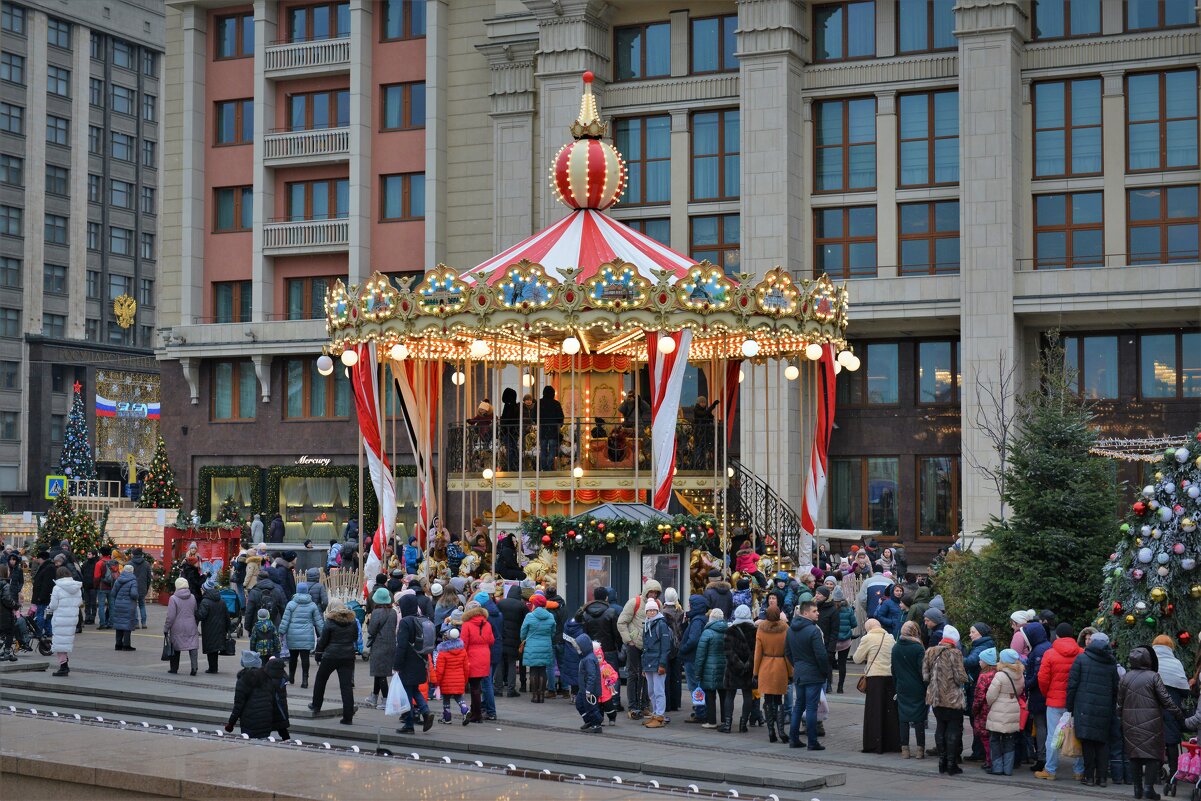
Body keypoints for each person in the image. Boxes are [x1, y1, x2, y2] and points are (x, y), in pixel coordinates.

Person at [1120, 645, 1182, 800]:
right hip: (1152, 722)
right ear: (1148, 659)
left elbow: (1119, 702)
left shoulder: (1125, 677)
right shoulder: (1154, 676)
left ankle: (1137, 790)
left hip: (1130, 721)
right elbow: (1166, 700)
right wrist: (1180, 715)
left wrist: (1121, 718)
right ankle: (1148, 789)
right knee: (1152, 756)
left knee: (1134, 755)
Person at [1067, 631, 1118, 787]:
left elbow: (1072, 685)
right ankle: (1102, 778)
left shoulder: (1081, 659)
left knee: (1087, 742)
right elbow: (1115, 687)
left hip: (1084, 706)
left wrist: (1069, 707)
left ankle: (1089, 777)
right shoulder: (1111, 662)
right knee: (1102, 742)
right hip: (1104, 708)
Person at [1037, 621, 1083, 780]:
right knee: (1078, 734)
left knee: (1053, 736)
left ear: (1057, 635)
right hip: (1076, 702)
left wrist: (1047, 693)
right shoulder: (1081, 653)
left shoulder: (1050, 653)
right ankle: (1079, 770)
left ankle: (1050, 770)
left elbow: (1042, 679)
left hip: (1055, 702)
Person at [923, 623, 968, 775]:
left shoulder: (930, 651)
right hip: (952, 698)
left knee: (940, 727)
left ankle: (941, 762)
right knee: (953, 729)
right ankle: (951, 764)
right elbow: (960, 677)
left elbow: (925, 675)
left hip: (935, 697)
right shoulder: (955, 653)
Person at [785, 601, 828, 750]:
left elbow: (787, 652)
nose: (818, 613)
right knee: (811, 708)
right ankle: (812, 741)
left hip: (799, 672)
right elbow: (821, 654)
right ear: (805, 613)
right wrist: (824, 671)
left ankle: (794, 739)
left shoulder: (791, 629)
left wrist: (797, 665)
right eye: (814, 611)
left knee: (798, 706)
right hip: (813, 673)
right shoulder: (813, 630)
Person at [617, 579, 663, 720]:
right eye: (651, 591)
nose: (653, 594)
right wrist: (629, 640)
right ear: (646, 591)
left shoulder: (658, 605)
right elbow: (621, 622)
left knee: (647, 676)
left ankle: (644, 705)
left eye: (656, 592)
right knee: (633, 675)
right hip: (634, 645)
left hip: (649, 647)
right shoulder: (634, 603)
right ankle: (633, 706)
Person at [854, 618, 899, 753]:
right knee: (890, 712)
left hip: (875, 678)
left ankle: (874, 744)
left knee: (874, 712)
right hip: (890, 678)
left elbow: (857, 658)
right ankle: (891, 743)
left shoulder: (868, 638)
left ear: (868, 628)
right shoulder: (890, 638)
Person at [310, 601, 358, 725]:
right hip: (348, 656)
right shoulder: (352, 622)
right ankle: (348, 716)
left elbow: (323, 640)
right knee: (346, 686)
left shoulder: (330, 622)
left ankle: (316, 705)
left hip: (331, 655)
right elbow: (355, 638)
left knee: (321, 679)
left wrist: (318, 654)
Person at [226, 651, 289, 739]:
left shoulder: (243, 680)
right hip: (266, 720)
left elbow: (238, 705)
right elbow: (274, 701)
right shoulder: (267, 677)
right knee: (263, 744)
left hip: (249, 721)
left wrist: (231, 723)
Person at [1152, 634, 1190, 778]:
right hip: (1172, 706)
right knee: (1172, 740)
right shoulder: (1176, 663)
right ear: (1171, 647)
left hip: (1153, 707)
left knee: (1154, 740)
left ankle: (1155, 773)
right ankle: (1174, 773)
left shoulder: (1150, 662)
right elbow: (1185, 690)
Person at [987, 649, 1027, 776]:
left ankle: (997, 767)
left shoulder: (1000, 675)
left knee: (995, 739)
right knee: (1009, 740)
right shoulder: (1020, 674)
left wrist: (990, 704)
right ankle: (1008, 769)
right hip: (1013, 708)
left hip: (999, 708)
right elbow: (1020, 691)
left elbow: (990, 695)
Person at [753, 605, 789, 743]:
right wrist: (790, 672)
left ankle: (770, 731)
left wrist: (755, 672)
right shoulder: (785, 628)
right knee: (779, 700)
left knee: (767, 699)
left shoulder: (761, 629)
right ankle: (781, 731)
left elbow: (757, 653)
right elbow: (788, 653)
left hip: (765, 665)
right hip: (780, 666)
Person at [893, 620, 929, 758]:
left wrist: (896, 685)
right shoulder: (918, 648)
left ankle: (905, 749)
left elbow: (894, 669)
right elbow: (923, 671)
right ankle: (920, 750)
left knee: (903, 718)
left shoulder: (896, 648)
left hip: (902, 687)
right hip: (917, 687)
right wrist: (927, 686)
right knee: (919, 718)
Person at [1021, 620, 1053, 771]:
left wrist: (1026, 683)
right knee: (1046, 726)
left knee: (1041, 727)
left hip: (1040, 695)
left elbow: (1038, 675)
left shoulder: (1039, 650)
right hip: (1047, 694)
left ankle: (1042, 758)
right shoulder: (1046, 646)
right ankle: (1047, 758)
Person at [963, 622, 997, 761]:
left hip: (977, 685)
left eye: (973, 632)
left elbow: (971, 661)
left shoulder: (981, 647)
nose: (970, 635)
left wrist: (956, 657)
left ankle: (980, 753)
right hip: (978, 684)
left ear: (981, 633)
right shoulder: (984, 645)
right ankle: (978, 751)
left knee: (977, 720)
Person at [362, 587, 397, 710]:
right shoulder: (393, 612)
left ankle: (385, 699)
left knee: (381, 674)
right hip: (391, 644)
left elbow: (371, 631)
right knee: (379, 671)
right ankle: (374, 696)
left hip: (379, 645)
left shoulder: (377, 613)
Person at [461, 599, 495, 723]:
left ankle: (477, 714)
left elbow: (463, 643)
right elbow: (491, 641)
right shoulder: (487, 623)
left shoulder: (467, 625)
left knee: (474, 687)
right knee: (480, 685)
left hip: (471, 657)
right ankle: (475, 710)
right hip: (485, 656)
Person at [640, 598, 673, 728]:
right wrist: (644, 665)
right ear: (646, 612)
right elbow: (645, 647)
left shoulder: (661, 624)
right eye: (649, 610)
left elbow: (665, 647)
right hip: (648, 662)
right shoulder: (647, 624)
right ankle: (655, 714)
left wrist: (662, 664)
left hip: (658, 662)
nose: (652, 612)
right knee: (651, 691)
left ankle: (659, 716)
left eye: (654, 610)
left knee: (659, 690)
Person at [695, 607, 729, 731]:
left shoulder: (707, 632)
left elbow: (700, 655)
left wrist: (697, 672)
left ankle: (711, 721)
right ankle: (726, 720)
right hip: (724, 667)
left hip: (710, 668)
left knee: (710, 695)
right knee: (724, 695)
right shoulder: (728, 631)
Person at [520, 593, 557, 703]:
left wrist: (524, 639)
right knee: (542, 670)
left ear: (535, 604)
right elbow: (553, 632)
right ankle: (541, 695)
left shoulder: (529, 616)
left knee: (533, 671)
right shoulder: (550, 616)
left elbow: (523, 632)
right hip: (546, 645)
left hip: (531, 646)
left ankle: (535, 695)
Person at [46, 566, 82, 676]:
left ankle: (63, 666)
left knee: (59, 642)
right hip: (72, 618)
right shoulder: (77, 587)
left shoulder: (57, 588)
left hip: (60, 618)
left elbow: (53, 605)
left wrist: (48, 609)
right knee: (65, 641)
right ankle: (65, 664)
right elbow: (80, 602)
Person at [679, 593, 709, 724]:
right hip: (696, 656)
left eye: (690, 604)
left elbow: (694, 640)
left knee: (694, 686)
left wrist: (683, 648)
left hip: (692, 657)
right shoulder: (700, 619)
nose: (689, 606)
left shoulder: (697, 621)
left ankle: (700, 712)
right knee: (698, 685)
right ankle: (701, 710)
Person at [434, 626, 471, 724]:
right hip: (459, 679)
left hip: (446, 680)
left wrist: (437, 683)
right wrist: (465, 680)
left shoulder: (443, 653)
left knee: (446, 698)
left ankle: (447, 718)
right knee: (459, 697)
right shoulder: (462, 651)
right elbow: (466, 668)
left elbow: (439, 670)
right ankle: (465, 710)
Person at [495, 584, 527, 697]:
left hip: (501, 637)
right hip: (515, 638)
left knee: (499, 663)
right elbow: (525, 622)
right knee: (512, 663)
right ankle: (511, 689)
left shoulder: (501, 603)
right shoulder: (522, 605)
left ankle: (498, 689)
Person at [165, 576, 200, 675]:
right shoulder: (192, 597)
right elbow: (195, 610)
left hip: (177, 627)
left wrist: (166, 628)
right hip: (191, 625)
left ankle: (174, 668)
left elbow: (170, 616)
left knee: (175, 647)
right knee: (193, 647)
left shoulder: (173, 598)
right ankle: (194, 667)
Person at [971, 647, 999, 770]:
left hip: (984, 711)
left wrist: (974, 710)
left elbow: (979, 696)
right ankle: (996, 760)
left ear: (986, 662)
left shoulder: (984, 676)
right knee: (994, 738)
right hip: (995, 709)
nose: (979, 662)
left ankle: (989, 761)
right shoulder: (997, 673)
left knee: (985, 738)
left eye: (981, 660)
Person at [196, 578, 230, 674]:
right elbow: (227, 616)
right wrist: (228, 628)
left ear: (205, 590)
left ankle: (212, 668)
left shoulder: (205, 602)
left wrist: (195, 613)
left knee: (211, 649)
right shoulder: (221, 601)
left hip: (209, 629)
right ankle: (214, 667)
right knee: (215, 649)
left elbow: (201, 616)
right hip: (220, 628)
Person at [571, 633, 604, 733]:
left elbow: (591, 676)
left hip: (589, 689)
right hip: (584, 688)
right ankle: (589, 720)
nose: (577, 649)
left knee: (591, 707)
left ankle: (596, 723)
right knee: (580, 704)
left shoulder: (588, 659)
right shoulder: (586, 657)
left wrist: (589, 690)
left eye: (578, 647)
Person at [660, 588, 686, 713]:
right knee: (676, 676)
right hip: (679, 646)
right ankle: (676, 702)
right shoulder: (681, 612)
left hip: (666, 646)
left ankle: (667, 704)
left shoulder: (662, 613)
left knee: (665, 675)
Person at [110, 563, 139, 651]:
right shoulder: (133, 581)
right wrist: (137, 596)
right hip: (128, 605)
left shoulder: (119, 579)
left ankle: (118, 644)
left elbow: (113, 593)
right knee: (127, 625)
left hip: (119, 604)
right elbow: (133, 594)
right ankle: (126, 645)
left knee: (119, 624)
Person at [833, 588, 856, 693]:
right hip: (845, 640)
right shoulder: (849, 609)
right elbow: (854, 624)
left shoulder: (831, 609)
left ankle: (828, 685)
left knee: (829, 663)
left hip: (833, 640)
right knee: (842, 664)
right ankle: (840, 687)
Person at [537, 385, 564, 470]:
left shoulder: (539, 403)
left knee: (543, 449)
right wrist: (560, 424)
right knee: (552, 449)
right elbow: (561, 417)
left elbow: (534, 417)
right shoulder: (556, 403)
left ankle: (544, 467)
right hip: (553, 430)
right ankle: (549, 467)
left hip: (543, 429)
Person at [499, 387, 521, 472]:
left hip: (509, 431)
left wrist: (503, 427)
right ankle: (514, 465)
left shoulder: (509, 406)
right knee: (513, 448)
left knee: (510, 449)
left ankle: (511, 466)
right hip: (512, 431)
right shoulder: (513, 405)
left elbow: (507, 418)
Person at [128, 549, 151, 629]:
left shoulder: (130, 564)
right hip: (143, 587)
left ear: (134, 554)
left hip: (133, 587)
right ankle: (144, 623)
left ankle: (136, 623)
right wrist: (147, 587)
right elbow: (149, 578)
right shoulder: (146, 564)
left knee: (134, 605)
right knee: (142, 605)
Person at [0, 564, 17, 661]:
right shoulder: (5, 584)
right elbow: (7, 599)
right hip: (4, 613)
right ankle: (7, 653)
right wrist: (15, 605)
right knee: (10, 632)